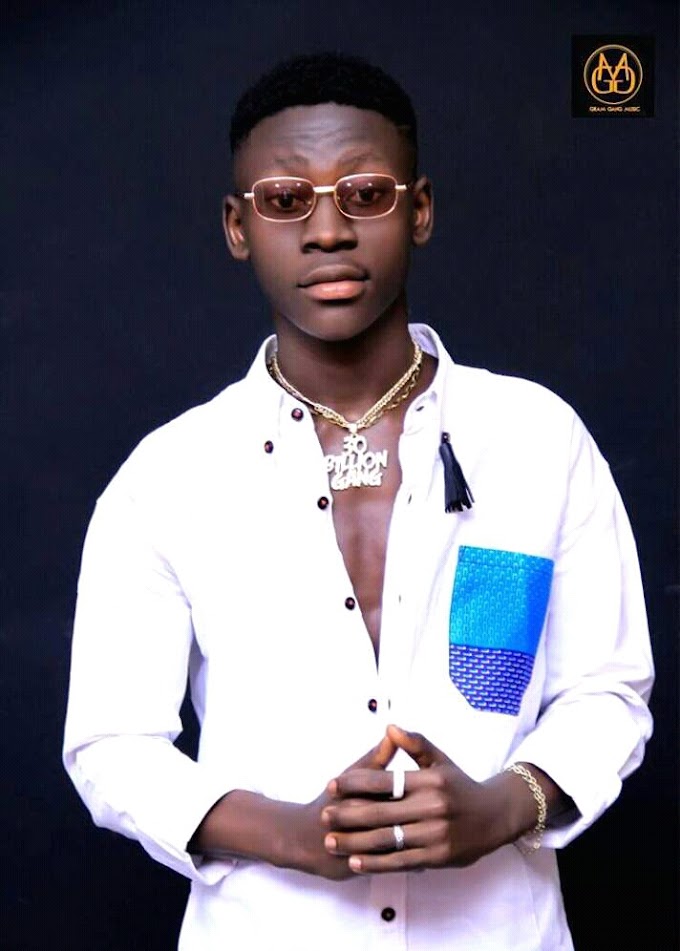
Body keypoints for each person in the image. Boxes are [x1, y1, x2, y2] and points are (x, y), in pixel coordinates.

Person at [63, 53, 654, 951]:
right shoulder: (169, 476)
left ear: (420, 210)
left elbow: (607, 690)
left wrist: (503, 806)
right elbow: (111, 743)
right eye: (284, 199)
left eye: (366, 194)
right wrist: (294, 834)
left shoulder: (537, 440)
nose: (328, 230)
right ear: (237, 226)